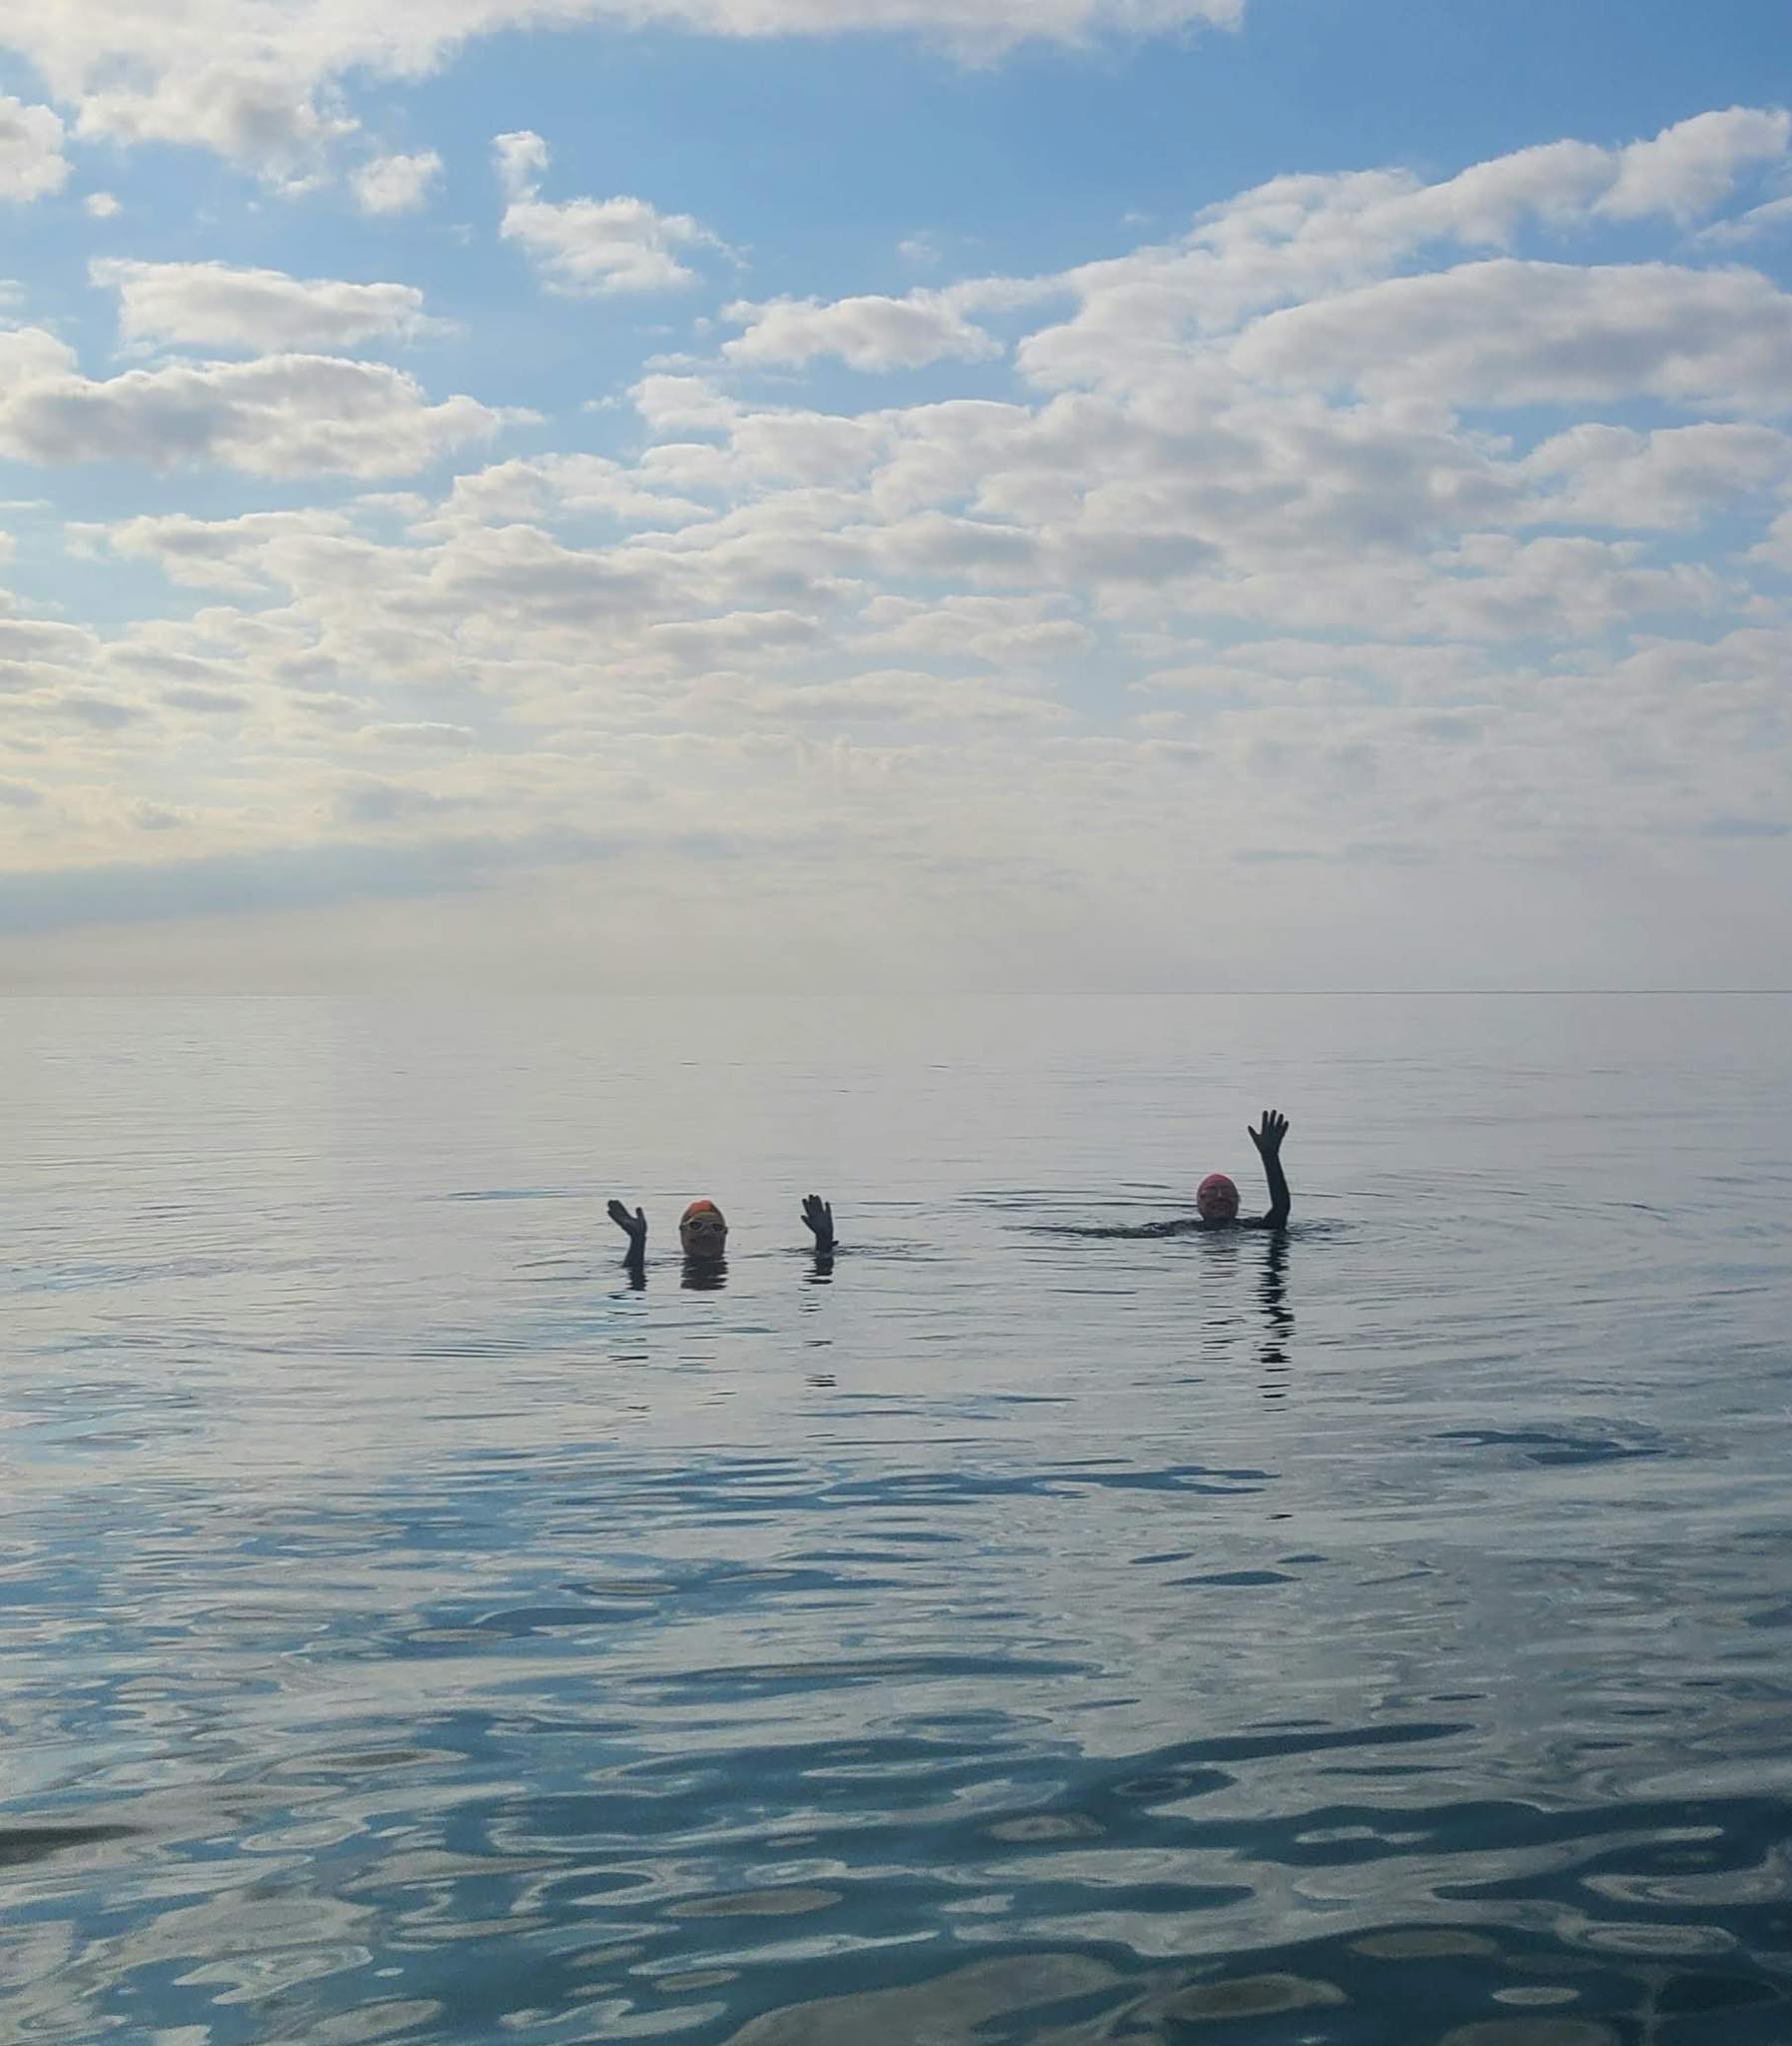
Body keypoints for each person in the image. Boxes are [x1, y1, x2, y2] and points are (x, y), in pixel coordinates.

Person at [605, 1192, 836, 1280]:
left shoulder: (756, 1262)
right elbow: (635, 1276)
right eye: (697, 1226)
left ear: (726, 1235)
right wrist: (637, 1242)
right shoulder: (665, 1266)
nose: (707, 1232)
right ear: (682, 1233)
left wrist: (823, 1243)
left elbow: (821, 1271)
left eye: (715, 1228)